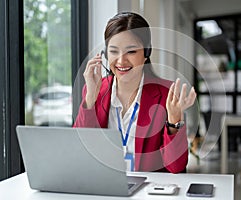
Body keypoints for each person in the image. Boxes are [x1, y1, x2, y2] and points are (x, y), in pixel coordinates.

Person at [74, 12, 196, 173]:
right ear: (105, 54)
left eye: (131, 52)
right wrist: (90, 97)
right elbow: (79, 152)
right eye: (114, 51)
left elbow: (175, 167)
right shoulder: (94, 90)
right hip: (105, 187)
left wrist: (174, 121)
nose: (121, 61)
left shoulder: (167, 94)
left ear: (146, 53)